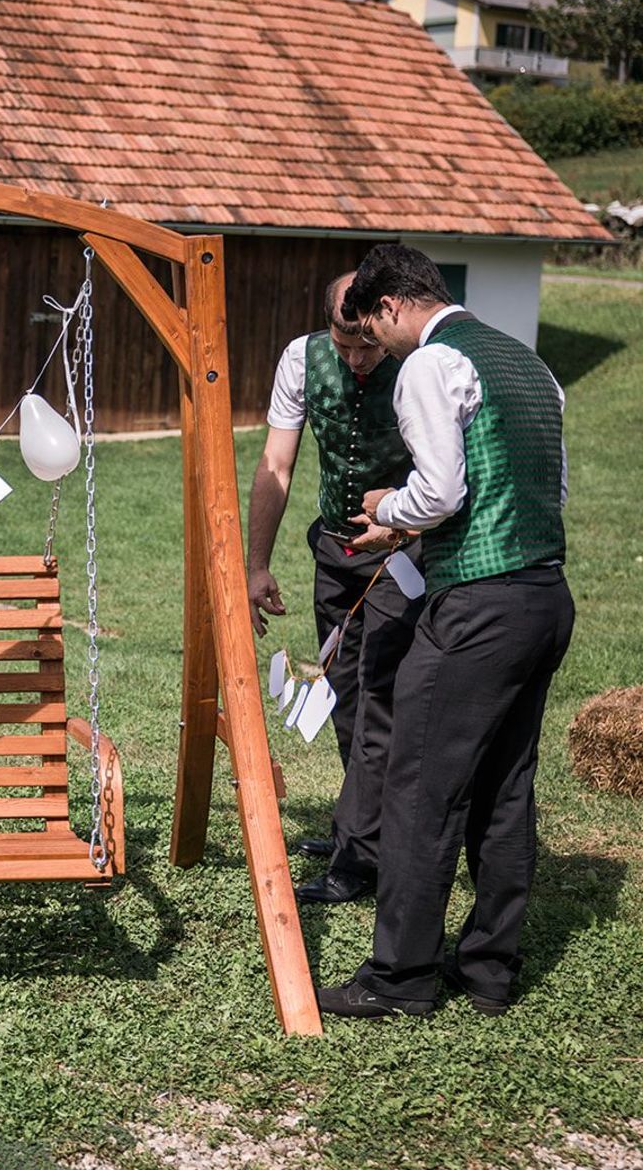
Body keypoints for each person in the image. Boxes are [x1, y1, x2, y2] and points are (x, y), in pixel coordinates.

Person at [317, 244, 574, 1020]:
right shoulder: (530, 365)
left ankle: (400, 977)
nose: (381, 348)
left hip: (478, 609)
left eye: (375, 331)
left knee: (419, 784)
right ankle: (490, 969)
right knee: (504, 785)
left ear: (391, 305)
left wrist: (387, 508)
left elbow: (439, 493)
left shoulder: (431, 363)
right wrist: (415, 525)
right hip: (544, 595)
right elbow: (541, 488)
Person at [246, 272, 425, 905]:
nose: (355, 359)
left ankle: (361, 856)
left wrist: (402, 526)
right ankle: (364, 829)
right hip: (334, 550)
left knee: (379, 698)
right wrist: (256, 563)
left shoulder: (419, 365)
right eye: (343, 345)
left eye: (366, 346)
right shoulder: (301, 359)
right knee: (342, 691)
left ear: (382, 325)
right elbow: (277, 463)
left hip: (402, 553)